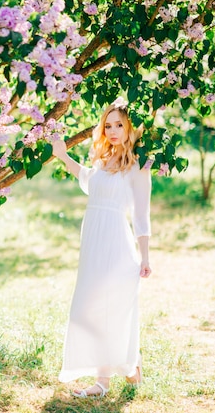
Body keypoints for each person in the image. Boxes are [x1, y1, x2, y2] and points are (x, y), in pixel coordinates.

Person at [51, 101, 152, 398]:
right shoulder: (99, 159)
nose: (113, 130)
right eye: (108, 125)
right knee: (88, 308)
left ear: (130, 127)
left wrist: (145, 257)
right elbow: (87, 180)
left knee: (111, 309)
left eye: (119, 124)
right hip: (93, 243)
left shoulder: (137, 167)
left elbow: (141, 216)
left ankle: (107, 379)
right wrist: (62, 155)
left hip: (117, 244)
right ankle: (126, 367)